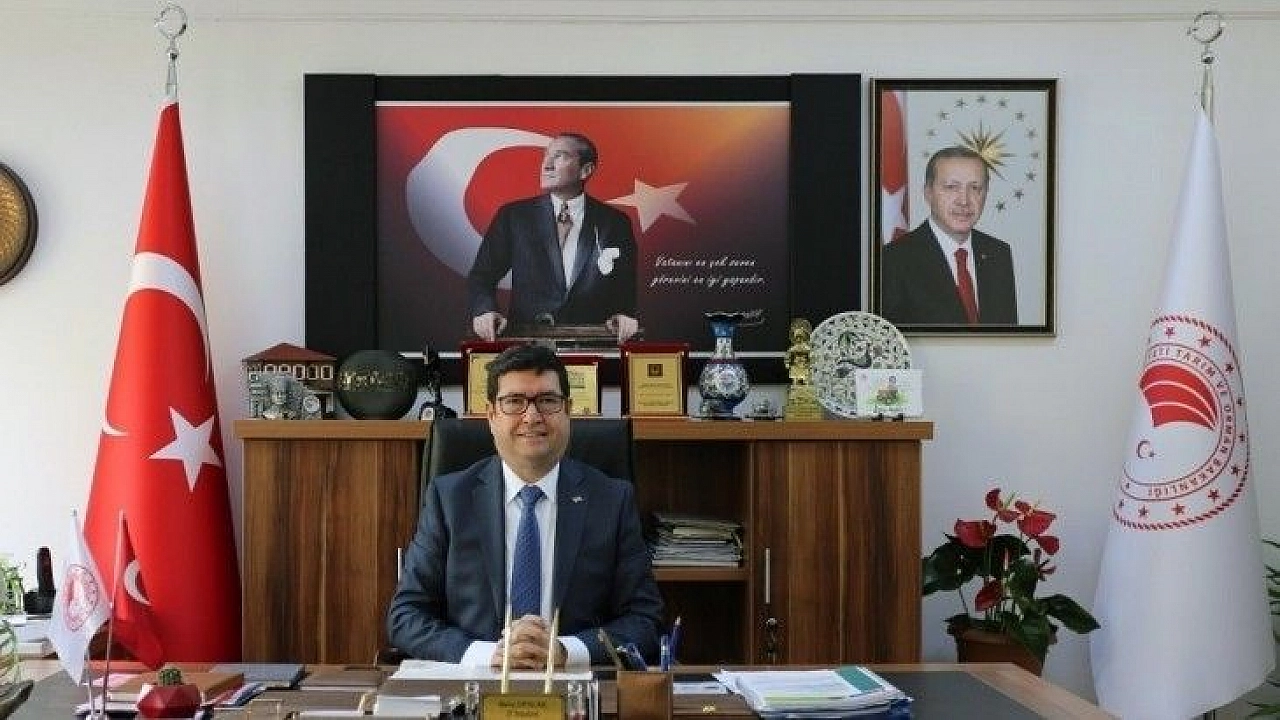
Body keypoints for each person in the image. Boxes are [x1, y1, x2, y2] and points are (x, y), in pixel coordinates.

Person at [386, 344, 662, 668]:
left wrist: (566, 651)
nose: (532, 416)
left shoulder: (611, 500)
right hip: (476, 682)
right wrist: (488, 654)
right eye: (514, 401)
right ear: (491, 415)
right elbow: (406, 616)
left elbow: (645, 620)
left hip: (571, 683)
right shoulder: (449, 498)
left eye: (547, 401)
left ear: (568, 410)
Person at [468, 132, 640, 343]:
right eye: (546, 156)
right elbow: (482, 275)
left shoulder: (615, 222)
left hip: (592, 342)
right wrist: (485, 310)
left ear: (586, 170)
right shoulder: (514, 216)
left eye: (559, 156)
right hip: (527, 344)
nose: (546, 165)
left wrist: (624, 315)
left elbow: (625, 287)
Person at [879, 145, 1018, 326]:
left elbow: (1007, 336)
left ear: (985, 194)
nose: (964, 201)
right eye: (951, 187)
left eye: (975, 188)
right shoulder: (893, 260)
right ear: (928, 193)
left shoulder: (998, 254)